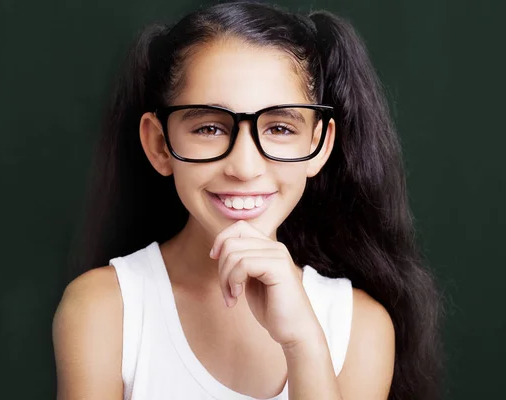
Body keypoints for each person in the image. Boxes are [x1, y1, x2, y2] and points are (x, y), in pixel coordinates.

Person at [52, 1, 444, 399]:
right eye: (209, 128)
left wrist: (305, 346)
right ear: (160, 144)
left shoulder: (359, 326)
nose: (243, 166)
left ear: (319, 145)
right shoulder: (104, 309)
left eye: (278, 127)